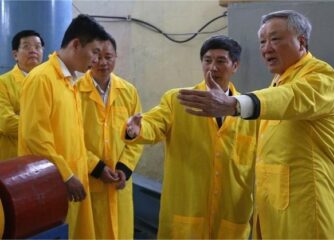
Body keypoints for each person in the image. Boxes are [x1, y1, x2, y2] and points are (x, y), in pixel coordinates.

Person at [178, 10, 334, 239]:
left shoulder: (320, 75)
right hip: (274, 211)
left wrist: (234, 104)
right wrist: (321, 156)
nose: (266, 48)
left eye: (275, 39)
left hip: (305, 211)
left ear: (301, 42)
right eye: (262, 41)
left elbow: (291, 99)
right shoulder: (280, 81)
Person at [126, 35, 259, 239]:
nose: (213, 67)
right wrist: (137, 130)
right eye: (207, 60)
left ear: (235, 65)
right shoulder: (178, 100)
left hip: (231, 217)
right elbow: (154, 124)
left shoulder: (248, 111)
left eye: (221, 61)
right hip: (187, 214)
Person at [18, 14, 109, 239]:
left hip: (72, 181)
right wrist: (66, 176)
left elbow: (72, 139)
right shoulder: (42, 79)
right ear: (76, 44)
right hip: (52, 183)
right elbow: (36, 137)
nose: (97, 61)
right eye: (95, 52)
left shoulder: (70, 82)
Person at [78, 37, 143, 239]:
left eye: (108, 57)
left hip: (119, 181)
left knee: (120, 232)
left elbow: (138, 135)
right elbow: (71, 137)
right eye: (97, 56)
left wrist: (124, 168)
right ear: (89, 57)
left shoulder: (128, 91)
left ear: (116, 57)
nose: (103, 62)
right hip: (88, 179)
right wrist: (96, 168)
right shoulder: (75, 91)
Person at [0, 30, 44, 161]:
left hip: (44, 158)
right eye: (26, 46)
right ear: (15, 55)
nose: (33, 50)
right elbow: (7, 123)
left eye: (37, 47)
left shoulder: (50, 82)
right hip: (13, 158)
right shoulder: (3, 83)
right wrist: (44, 128)